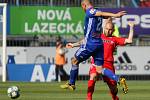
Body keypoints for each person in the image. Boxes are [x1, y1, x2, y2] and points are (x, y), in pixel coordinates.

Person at [60, 0, 126, 90]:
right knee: (99, 69)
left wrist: (116, 15)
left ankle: (71, 83)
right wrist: (74, 44)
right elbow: (103, 15)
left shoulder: (90, 11)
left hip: (90, 44)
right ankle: (118, 79)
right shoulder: (96, 13)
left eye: (82, 7)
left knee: (74, 61)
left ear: (84, 5)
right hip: (99, 44)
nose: (83, 9)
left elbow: (101, 13)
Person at [87, 21, 135, 100]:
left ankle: (115, 97)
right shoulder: (97, 36)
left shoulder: (114, 39)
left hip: (108, 64)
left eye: (110, 30)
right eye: (107, 29)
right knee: (93, 76)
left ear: (113, 30)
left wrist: (131, 27)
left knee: (113, 89)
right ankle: (89, 98)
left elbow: (129, 40)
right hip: (96, 62)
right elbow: (85, 41)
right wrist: (73, 44)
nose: (108, 31)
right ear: (103, 28)